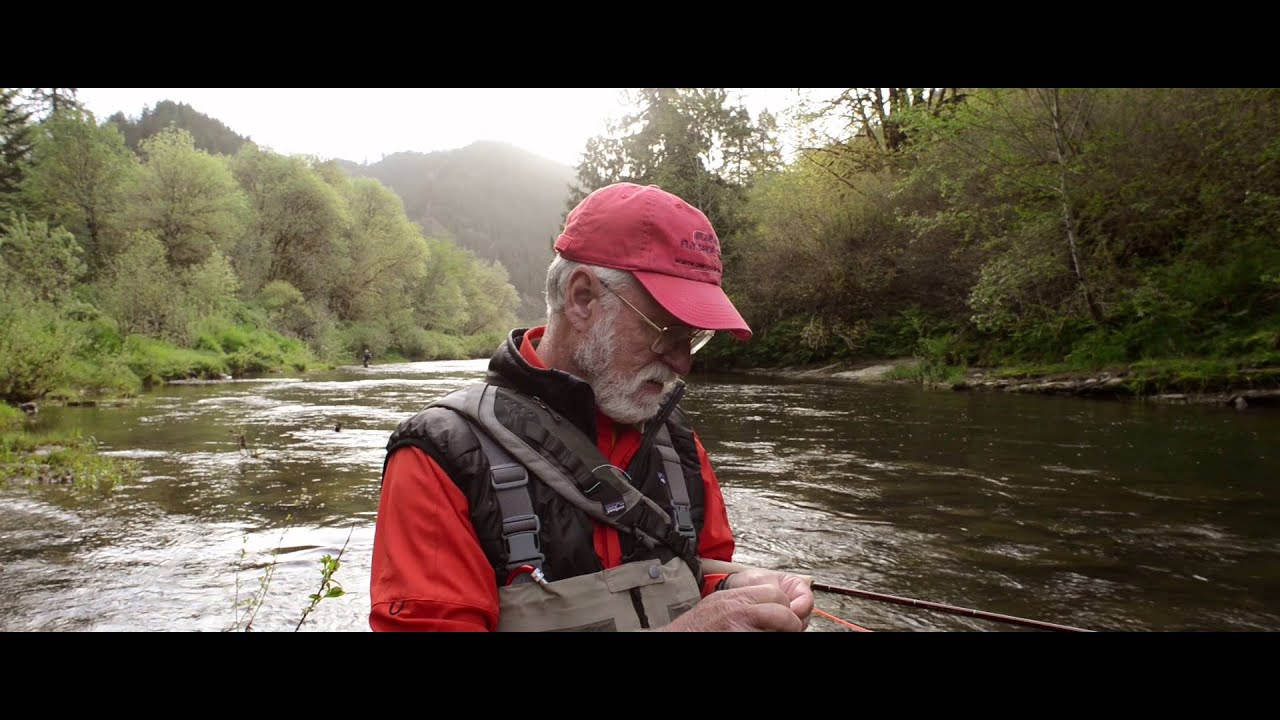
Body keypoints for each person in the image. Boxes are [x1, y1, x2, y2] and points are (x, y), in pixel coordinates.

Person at [369, 182, 814, 632]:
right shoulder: (441, 458)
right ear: (582, 298)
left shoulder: (678, 443)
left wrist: (741, 590)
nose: (682, 362)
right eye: (668, 331)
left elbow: (701, 570)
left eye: (694, 337)